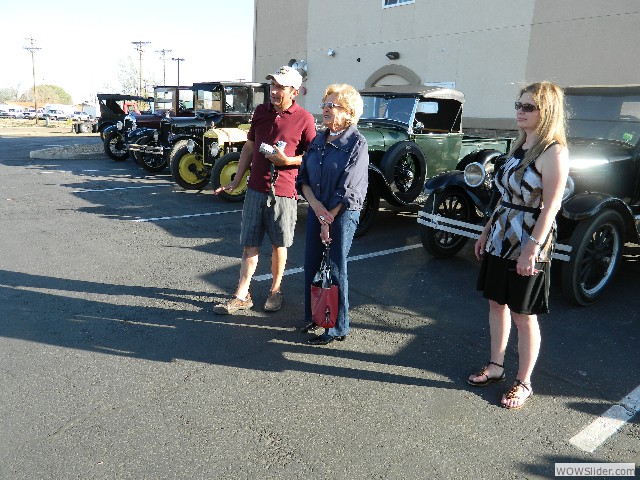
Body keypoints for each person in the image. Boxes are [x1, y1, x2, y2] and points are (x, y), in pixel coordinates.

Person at [467, 81, 569, 409]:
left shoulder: (554, 151)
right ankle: (496, 366)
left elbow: (551, 205)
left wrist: (531, 249)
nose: (520, 112)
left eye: (528, 107)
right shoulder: (520, 144)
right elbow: (503, 197)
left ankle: (524, 381)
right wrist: (485, 232)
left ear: (546, 111)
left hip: (529, 240)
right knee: (497, 303)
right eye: (518, 105)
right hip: (501, 236)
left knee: (524, 314)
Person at [213, 66, 316, 314]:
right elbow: (249, 147)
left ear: (294, 91)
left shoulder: (305, 118)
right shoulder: (261, 112)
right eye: (273, 85)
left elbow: (313, 155)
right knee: (250, 245)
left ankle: (275, 291)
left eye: (281, 87)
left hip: (283, 192)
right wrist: (237, 180)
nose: (274, 91)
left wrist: (288, 161)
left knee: (279, 246)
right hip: (255, 189)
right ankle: (242, 294)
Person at [296, 84, 369, 345]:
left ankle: (336, 327)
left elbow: (349, 185)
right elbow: (303, 177)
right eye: (324, 104)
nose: (326, 108)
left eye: (333, 105)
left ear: (348, 112)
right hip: (319, 210)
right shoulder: (318, 140)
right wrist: (316, 208)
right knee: (311, 265)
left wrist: (329, 216)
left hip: (343, 213)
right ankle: (316, 317)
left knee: (336, 268)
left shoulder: (357, 143)